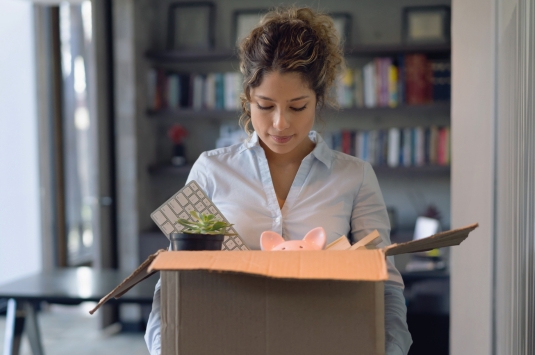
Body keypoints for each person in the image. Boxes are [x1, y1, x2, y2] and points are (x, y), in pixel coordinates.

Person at [145, 6, 412, 355]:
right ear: (247, 100)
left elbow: (386, 285)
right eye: (265, 106)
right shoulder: (211, 171)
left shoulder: (355, 176)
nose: (281, 123)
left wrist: (390, 349)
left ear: (319, 99)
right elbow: (173, 284)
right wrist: (165, 347)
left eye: (297, 106)